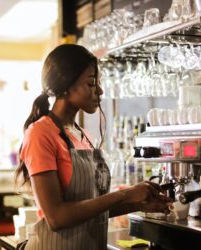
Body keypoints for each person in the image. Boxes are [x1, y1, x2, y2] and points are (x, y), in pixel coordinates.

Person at [15, 44, 172, 250]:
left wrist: (141, 203)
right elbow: (57, 218)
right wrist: (126, 194)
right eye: (91, 83)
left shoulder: (83, 135)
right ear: (66, 85)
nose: (100, 90)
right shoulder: (40, 133)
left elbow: (92, 209)